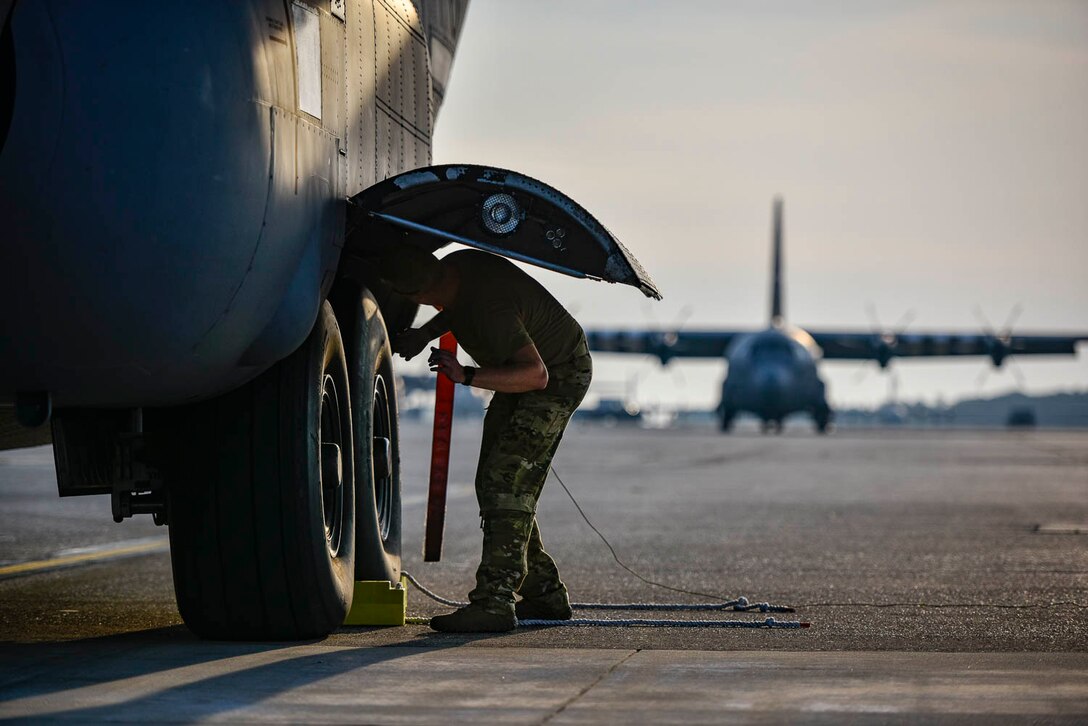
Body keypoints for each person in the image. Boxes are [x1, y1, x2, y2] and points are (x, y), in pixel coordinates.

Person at [379, 243, 592, 632]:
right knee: (492, 482)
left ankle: (494, 603)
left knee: (505, 483)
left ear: (418, 296)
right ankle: (544, 592)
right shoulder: (457, 269)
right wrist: (423, 335)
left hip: (556, 376)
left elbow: (536, 375)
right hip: (522, 371)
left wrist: (467, 376)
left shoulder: (489, 310)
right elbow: (456, 307)